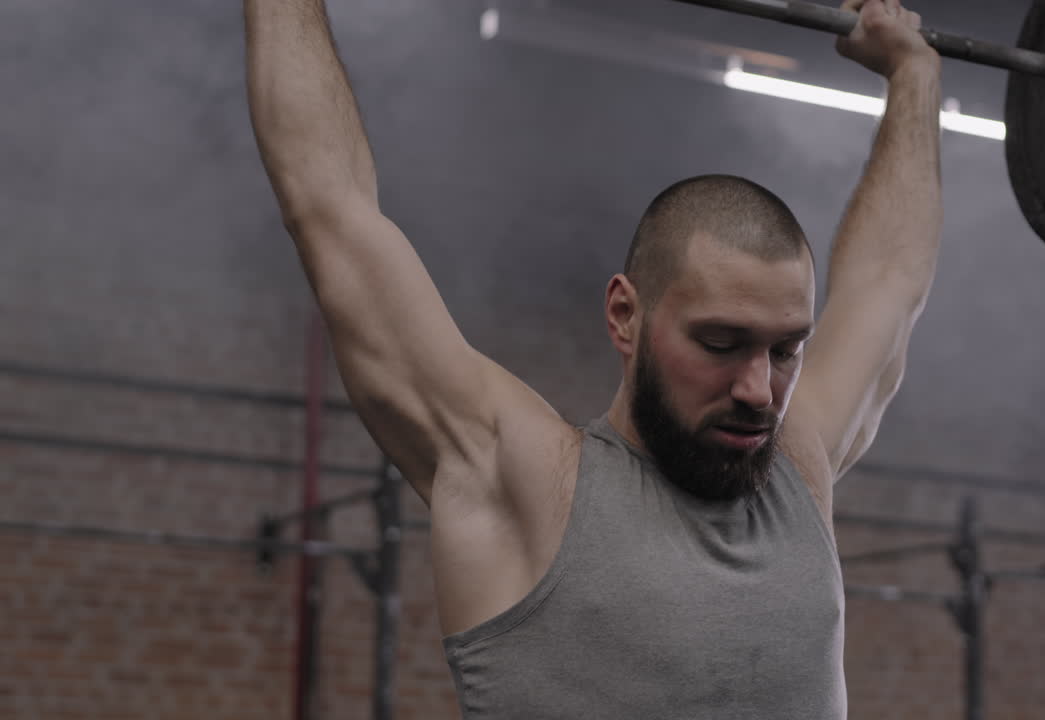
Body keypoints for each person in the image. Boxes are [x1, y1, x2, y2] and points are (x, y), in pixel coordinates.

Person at [244, 0, 941, 716]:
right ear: (624, 316)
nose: (760, 389)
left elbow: (890, 284)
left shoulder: (799, 468)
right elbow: (330, 207)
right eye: (720, 344)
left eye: (787, 349)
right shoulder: (525, 484)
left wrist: (914, 73)